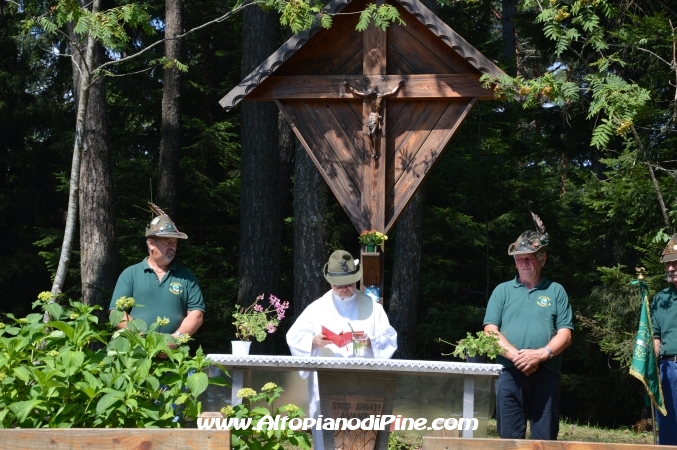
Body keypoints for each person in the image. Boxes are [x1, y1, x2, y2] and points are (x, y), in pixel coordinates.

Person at [286, 249, 397, 449]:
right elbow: (293, 337)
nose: (345, 289)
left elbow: (390, 338)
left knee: (364, 435)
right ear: (330, 283)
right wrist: (313, 341)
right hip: (327, 381)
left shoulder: (373, 307)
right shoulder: (317, 308)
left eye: (350, 284)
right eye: (340, 286)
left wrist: (371, 341)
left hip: (364, 384)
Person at [483, 214, 573, 440]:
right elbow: (489, 331)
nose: (522, 263)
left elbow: (566, 333)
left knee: (545, 440)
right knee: (509, 440)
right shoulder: (502, 291)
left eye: (529, 258)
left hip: (546, 371)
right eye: (518, 258)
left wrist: (541, 354)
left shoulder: (556, 291)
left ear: (542, 259)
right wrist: (517, 357)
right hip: (509, 372)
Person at [109, 204, 205, 341]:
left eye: (175, 242)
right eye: (167, 242)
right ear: (151, 243)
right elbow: (116, 312)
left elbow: (196, 314)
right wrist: (141, 339)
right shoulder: (130, 274)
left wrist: (175, 340)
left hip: (175, 355)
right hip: (135, 354)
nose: (172, 246)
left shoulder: (187, 278)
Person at [652, 233, 677, 445]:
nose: (670, 268)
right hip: (669, 369)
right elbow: (656, 338)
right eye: (668, 264)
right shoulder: (661, 299)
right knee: (668, 430)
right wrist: (649, 364)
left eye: (675, 264)